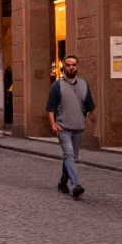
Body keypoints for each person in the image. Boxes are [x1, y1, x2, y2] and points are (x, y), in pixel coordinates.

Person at [46, 53, 96, 198]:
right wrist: (53, 124)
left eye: (74, 65)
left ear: (77, 66)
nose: (71, 67)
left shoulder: (84, 84)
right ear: (64, 67)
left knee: (71, 157)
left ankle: (62, 183)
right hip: (63, 128)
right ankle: (75, 185)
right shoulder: (57, 85)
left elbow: (89, 107)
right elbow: (50, 108)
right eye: (68, 65)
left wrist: (93, 117)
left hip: (79, 127)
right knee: (69, 155)